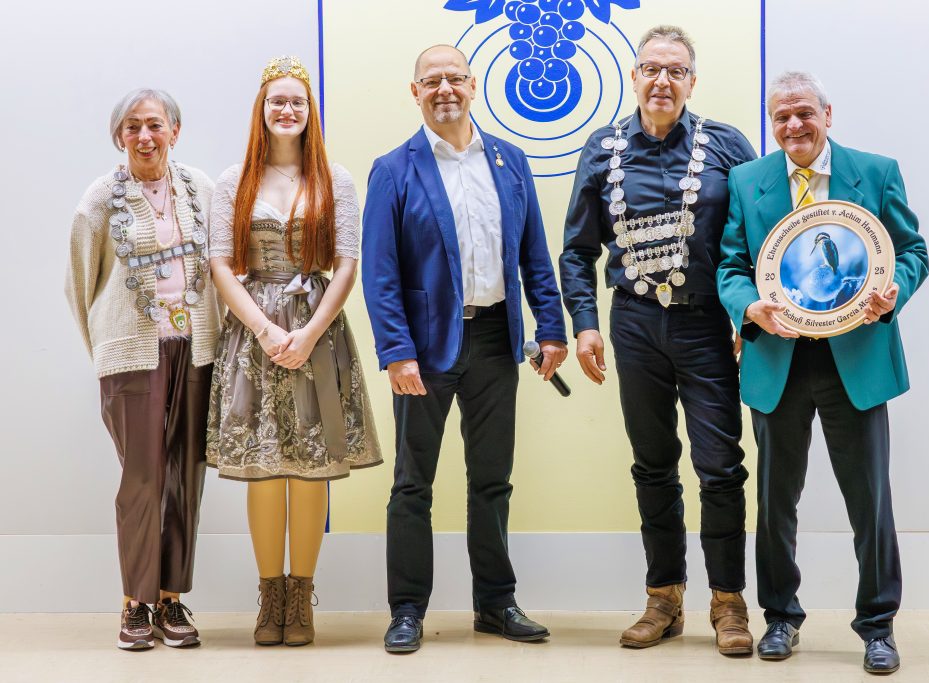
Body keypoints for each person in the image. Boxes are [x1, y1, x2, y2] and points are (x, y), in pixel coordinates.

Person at [717, 71, 929, 674]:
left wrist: (894, 289)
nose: (794, 125)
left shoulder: (876, 171)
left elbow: (912, 251)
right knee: (775, 503)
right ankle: (780, 618)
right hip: (778, 359)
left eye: (804, 113)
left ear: (827, 115)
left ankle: (878, 626)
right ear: (772, 124)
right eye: (781, 117)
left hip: (854, 360)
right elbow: (731, 265)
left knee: (870, 501)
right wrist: (749, 307)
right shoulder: (747, 180)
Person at [362, 44, 568, 654]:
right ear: (415, 92)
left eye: (455, 78)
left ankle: (496, 604)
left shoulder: (510, 160)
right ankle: (406, 610)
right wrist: (396, 352)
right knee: (412, 484)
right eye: (432, 81)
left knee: (492, 480)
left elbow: (534, 254)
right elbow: (380, 273)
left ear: (473, 85)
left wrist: (551, 328)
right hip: (424, 350)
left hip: (497, 341)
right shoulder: (393, 169)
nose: (444, 89)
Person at [559, 25, 756, 655]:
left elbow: (757, 235)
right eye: (652, 69)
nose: (662, 81)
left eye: (675, 71)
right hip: (635, 322)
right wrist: (585, 323)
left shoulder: (727, 145)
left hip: (706, 324)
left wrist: (749, 316)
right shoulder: (603, 148)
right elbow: (577, 250)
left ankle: (728, 603)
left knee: (720, 465)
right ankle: (663, 598)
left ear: (692, 81)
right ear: (635, 76)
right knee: (652, 463)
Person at [205, 55, 382, 647]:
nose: (287, 109)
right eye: (276, 101)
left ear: (311, 112)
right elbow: (220, 266)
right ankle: (270, 596)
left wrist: (306, 335)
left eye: (297, 102)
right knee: (263, 468)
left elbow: (347, 264)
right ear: (261, 109)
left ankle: (301, 596)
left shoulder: (336, 177)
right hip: (253, 331)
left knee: (309, 466)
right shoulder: (235, 179)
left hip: (317, 329)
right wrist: (263, 330)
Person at [66, 88, 218, 650]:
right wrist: (107, 349)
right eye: (132, 127)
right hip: (132, 354)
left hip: (195, 349)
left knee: (186, 473)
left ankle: (172, 599)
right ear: (119, 137)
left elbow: (220, 267)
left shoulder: (202, 188)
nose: (145, 136)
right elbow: (80, 284)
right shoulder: (99, 199)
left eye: (155, 124)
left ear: (175, 131)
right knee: (142, 477)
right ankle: (136, 602)